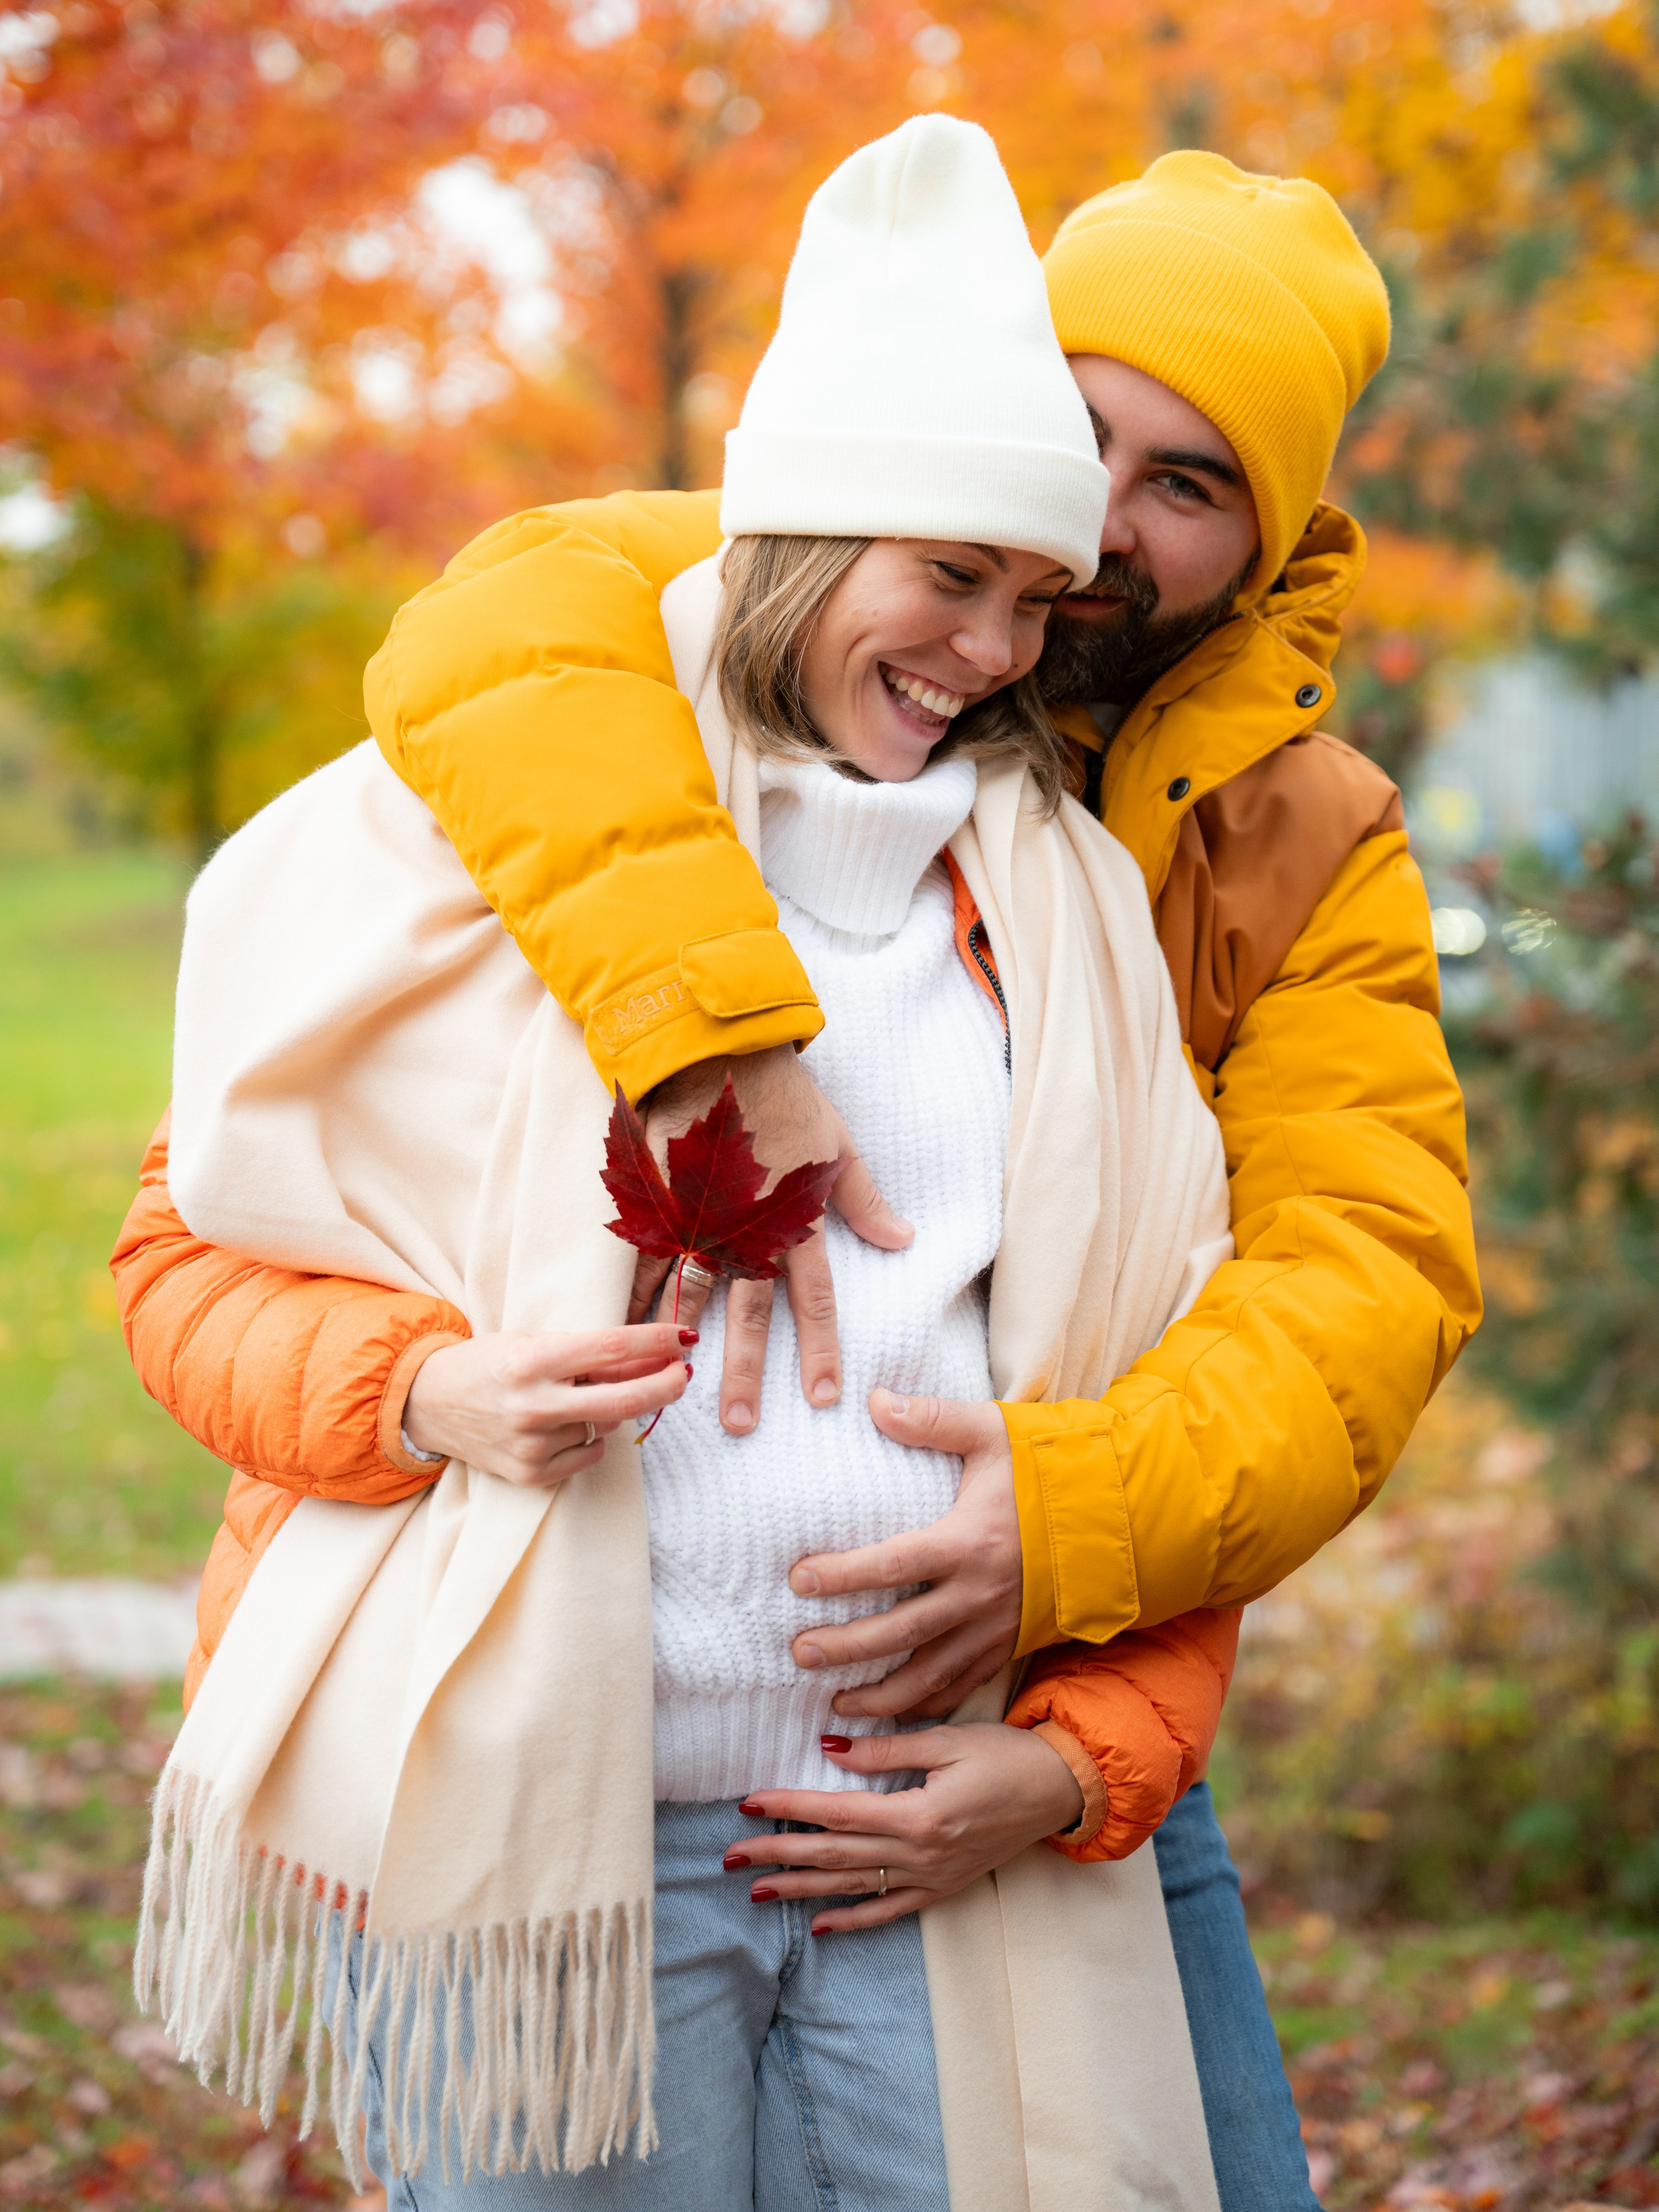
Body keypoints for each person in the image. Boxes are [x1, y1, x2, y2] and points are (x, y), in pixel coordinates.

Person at [117, 147, 1479, 2209]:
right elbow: (507, 630)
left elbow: (1340, 1293)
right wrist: (719, 1034)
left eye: (1188, 484)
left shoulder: (1281, 837)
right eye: (1073, 428)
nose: (1094, 531)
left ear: (1266, 540)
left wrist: (1076, 1600)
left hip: (1043, 1687)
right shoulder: (672, 636)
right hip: (563, 1748)